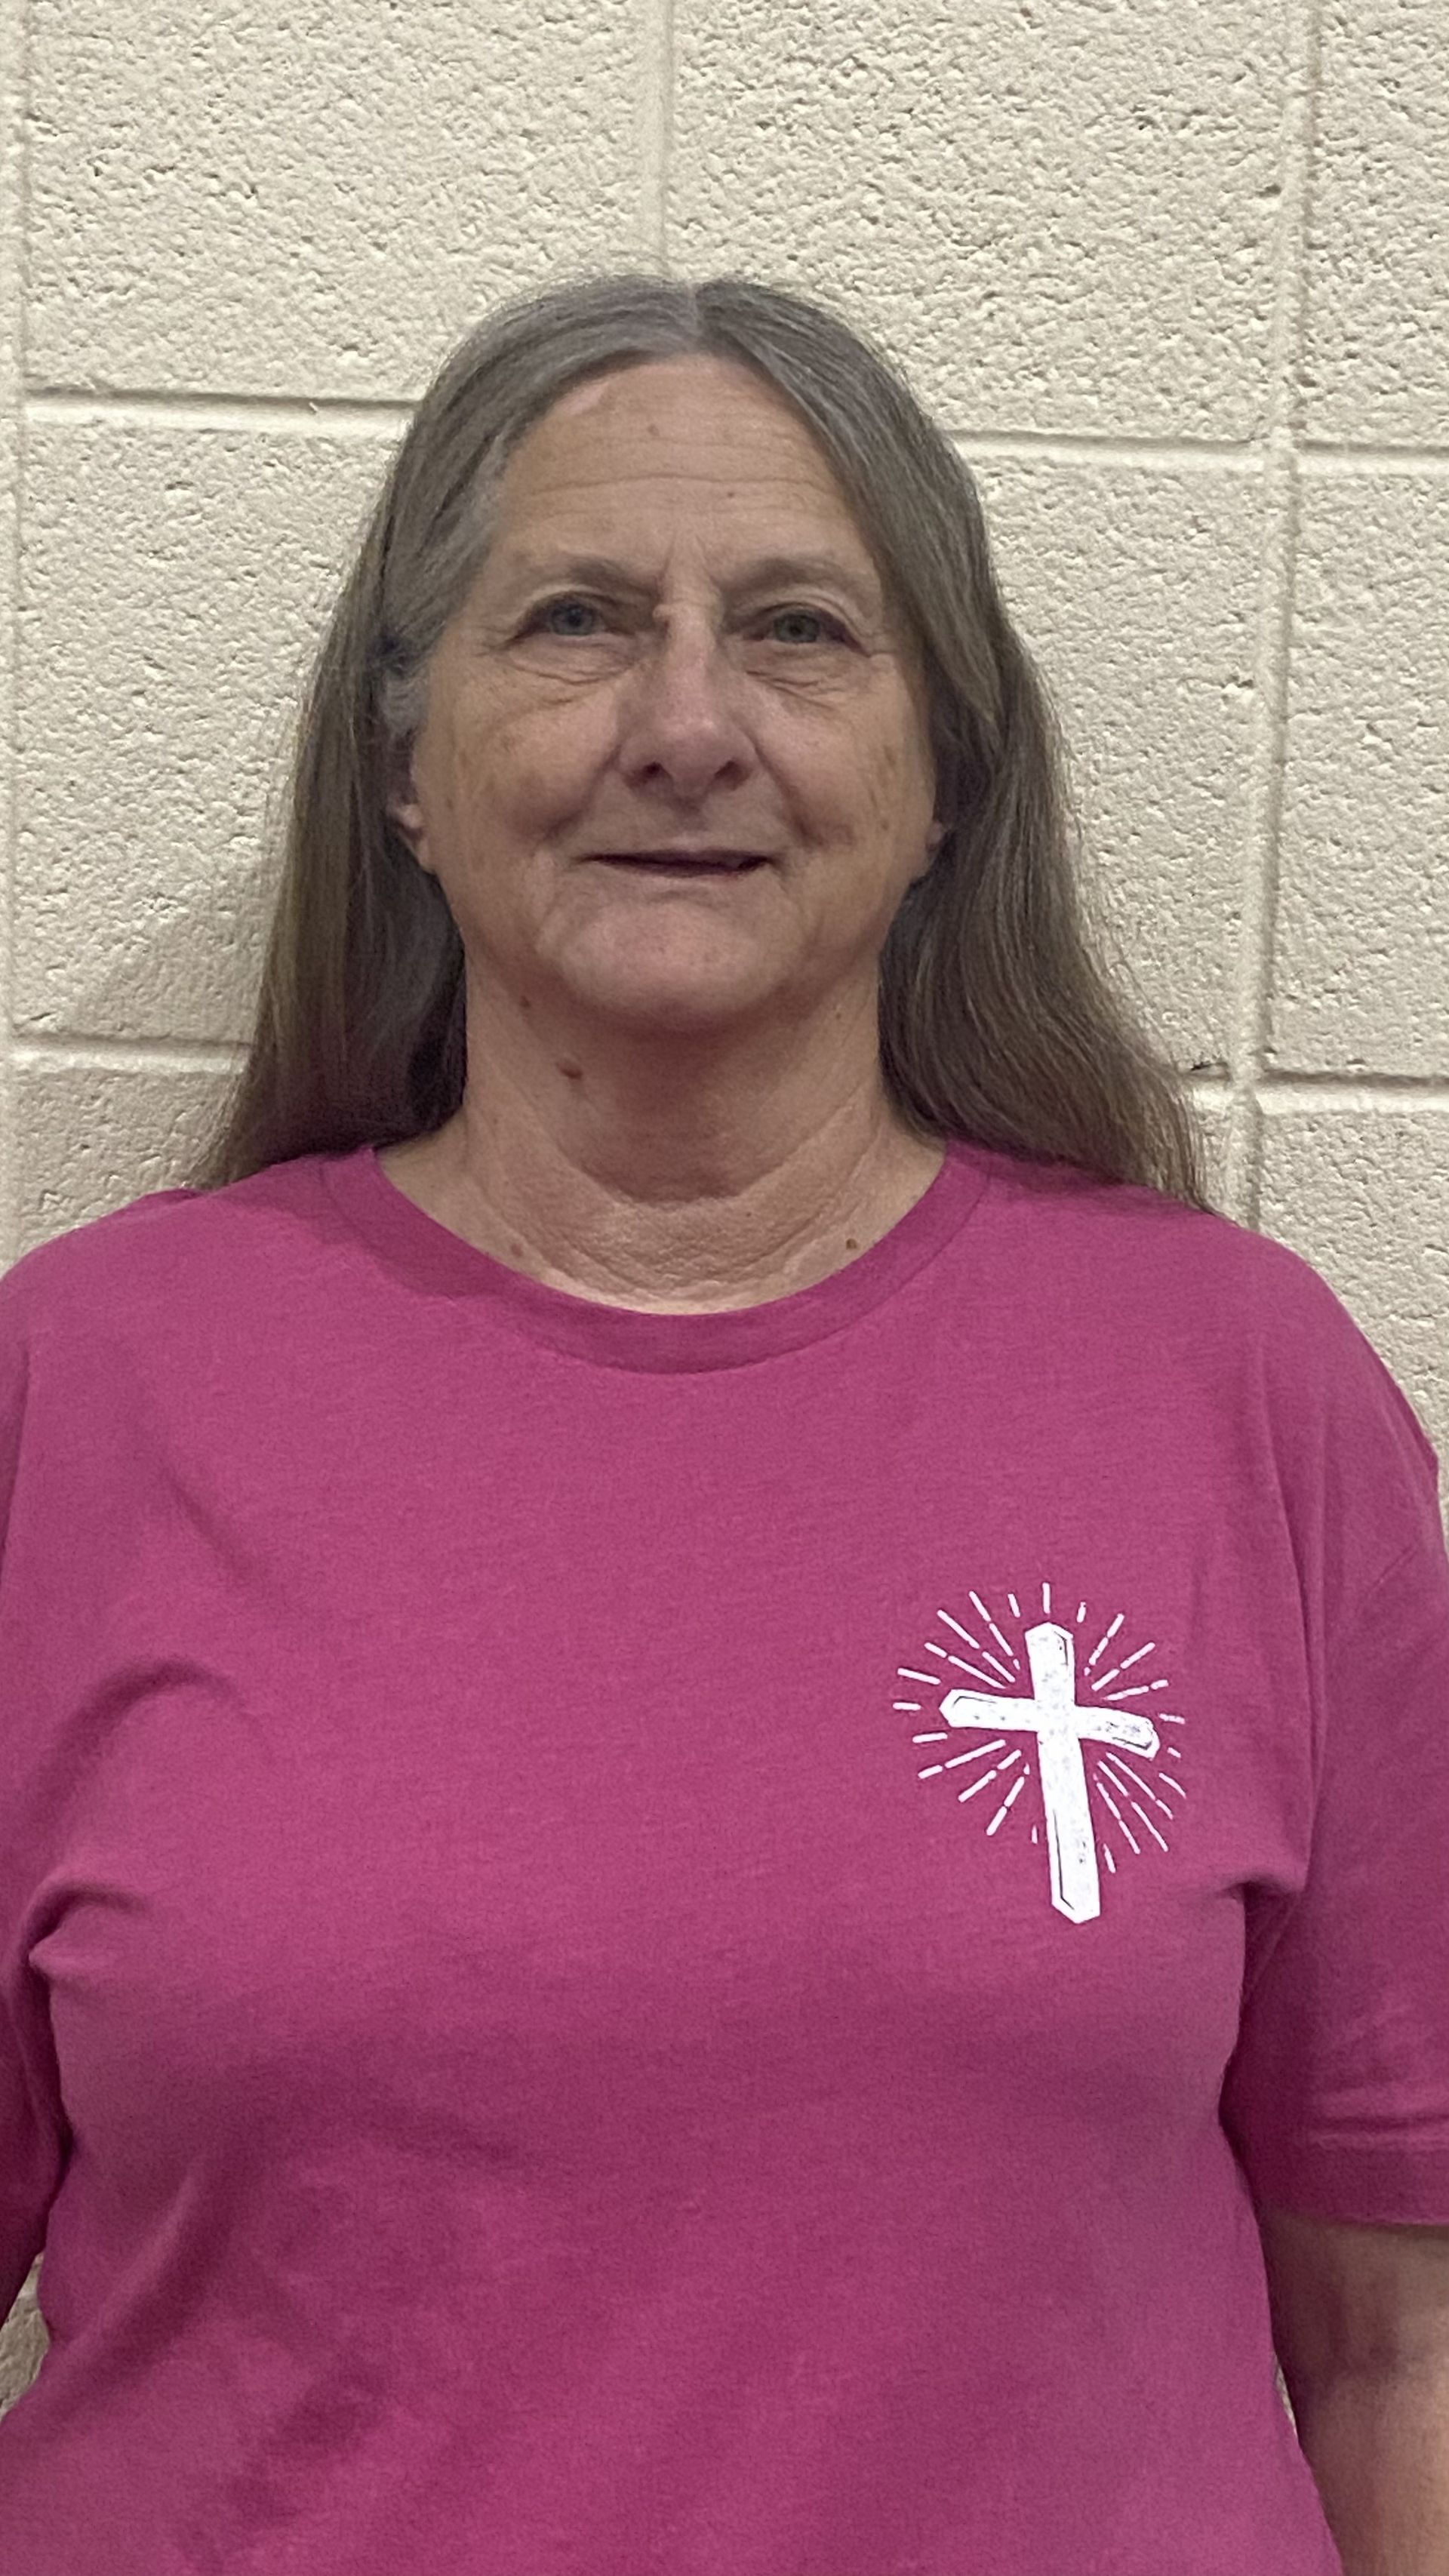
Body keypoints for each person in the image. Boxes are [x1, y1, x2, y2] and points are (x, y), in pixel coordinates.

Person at [0, 271, 1446, 2576]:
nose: (688, 721)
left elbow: (1399, 2345)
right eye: (575, 620)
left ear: (943, 767)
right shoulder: (76, 1396)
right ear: (404, 762)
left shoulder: (1246, 1392)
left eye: (799, 632)